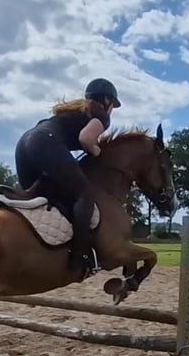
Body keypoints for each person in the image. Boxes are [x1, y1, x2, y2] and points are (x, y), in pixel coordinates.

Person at [14, 78, 121, 279]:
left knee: (44, 193)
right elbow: (86, 139)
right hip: (46, 142)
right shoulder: (100, 114)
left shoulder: (74, 112)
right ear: (106, 100)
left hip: (24, 144)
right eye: (113, 105)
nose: (112, 109)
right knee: (85, 195)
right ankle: (79, 257)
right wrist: (97, 151)